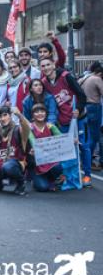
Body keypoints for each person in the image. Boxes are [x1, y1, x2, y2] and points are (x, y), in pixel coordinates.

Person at [39, 57, 91, 186]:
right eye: (43, 66)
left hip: (77, 118)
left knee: (83, 146)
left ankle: (87, 176)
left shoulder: (66, 76)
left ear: (53, 65)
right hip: (62, 121)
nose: (45, 68)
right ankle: (69, 177)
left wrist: (78, 109)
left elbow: (82, 95)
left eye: (48, 65)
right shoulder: (44, 82)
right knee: (65, 150)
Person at [17, 104, 65, 192]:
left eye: (42, 111)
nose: (40, 114)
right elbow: (32, 139)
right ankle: (35, 180)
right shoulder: (29, 128)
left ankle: (52, 179)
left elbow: (62, 138)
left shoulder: (51, 126)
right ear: (33, 114)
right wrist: (34, 148)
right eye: (37, 112)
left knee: (58, 167)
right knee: (42, 187)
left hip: (50, 160)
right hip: (36, 164)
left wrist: (72, 140)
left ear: (46, 113)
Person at [79, 61, 103, 171]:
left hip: (83, 109)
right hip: (94, 107)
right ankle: (89, 162)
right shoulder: (96, 79)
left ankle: (83, 161)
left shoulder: (83, 78)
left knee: (85, 136)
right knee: (94, 136)